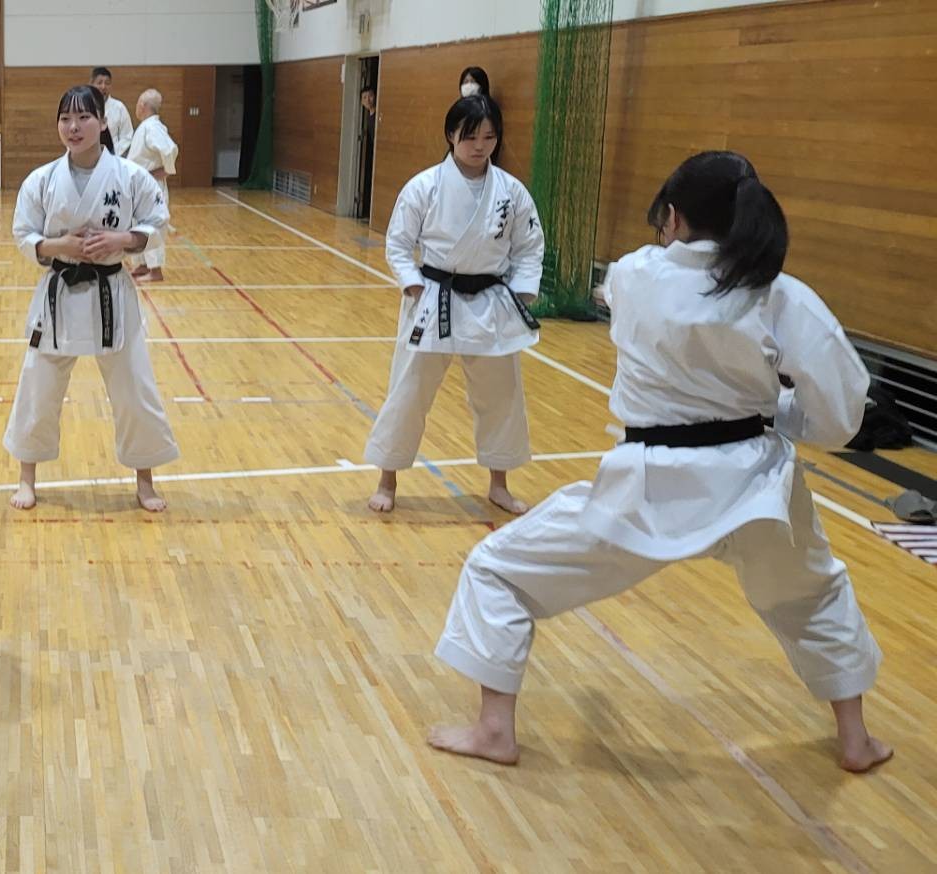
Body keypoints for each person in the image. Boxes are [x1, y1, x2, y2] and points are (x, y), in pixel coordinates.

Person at [427, 151, 892, 774]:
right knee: (813, 592)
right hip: (757, 488)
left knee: (497, 571)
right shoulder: (781, 295)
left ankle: (493, 730)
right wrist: (779, 412)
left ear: (672, 217)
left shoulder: (633, 274)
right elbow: (840, 416)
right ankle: (856, 740)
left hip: (648, 488)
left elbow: (641, 301)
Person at [5, 85, 179, 514]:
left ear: (103, 122)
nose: (73, 127)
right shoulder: (42, 179)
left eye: (84, 117)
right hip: (59, 293)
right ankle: (26, 477)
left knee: (134, 387)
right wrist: (59, 245)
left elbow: (157, 223)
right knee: (38, 386)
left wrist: (123, 239)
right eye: (65, 118)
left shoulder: (131, 176)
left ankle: (145, 480)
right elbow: (23, 234)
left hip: (111, 292)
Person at [365, 95, 542, 516]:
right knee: (409, 390)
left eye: (489, 137)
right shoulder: (424, 186)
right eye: (470, 137)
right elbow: (398, 243)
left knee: (501, 396)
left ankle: (499, 485)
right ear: (450, 135)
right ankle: (387, 480)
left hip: (491, 300)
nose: (480, 146)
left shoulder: (511, 191)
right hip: (434, 297)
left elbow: (529, 246)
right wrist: (413, 286)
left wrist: (521, 291)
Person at [124, 88, 178, 283]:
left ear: (143, 105)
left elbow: (170, 150)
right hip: (140, 186)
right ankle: (143, 264)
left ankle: (156, 270)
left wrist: (165, 170)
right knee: (137, 225)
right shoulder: (147, 126)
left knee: (151, 225)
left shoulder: (153, 127)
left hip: (151, 186)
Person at [90, 67, 134, 158]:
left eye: (107, 83)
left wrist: (112, 154)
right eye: (99, 83)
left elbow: (127, 136)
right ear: (92, 84)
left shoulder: (119, 107)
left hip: (114, 156)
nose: (103, 87)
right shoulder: (84, 106)